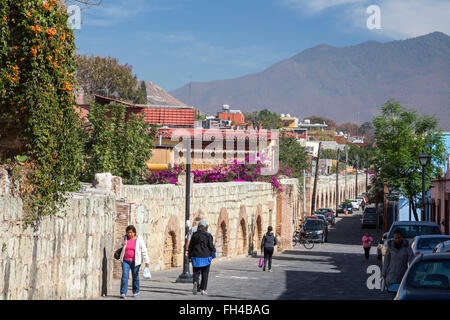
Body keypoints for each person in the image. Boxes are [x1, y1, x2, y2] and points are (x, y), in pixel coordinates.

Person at [118, 225, 150, 299]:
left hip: (136, 261)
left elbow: (144, 250)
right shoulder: (124, 238)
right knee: (125, 276)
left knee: (135, 276)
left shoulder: (139, 239)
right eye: (128, 232)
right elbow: (117, 245)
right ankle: (123, 293)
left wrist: (147, 261)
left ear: (134, 233)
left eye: (130, 232)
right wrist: (121, 244)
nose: (129, 234)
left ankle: (135, 292)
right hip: (125, 260)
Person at [188, 220, 216, 295]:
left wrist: (189, 256)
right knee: (205, 274)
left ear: (199, 227)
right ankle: (203, 289)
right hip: (206, 257)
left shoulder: (194, 235)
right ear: (205, 227)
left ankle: (195, 282)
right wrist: (214, 251)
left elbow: (190, 246)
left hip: (195, 256)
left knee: (196, 273)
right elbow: (211, 246)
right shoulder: (208, 235)